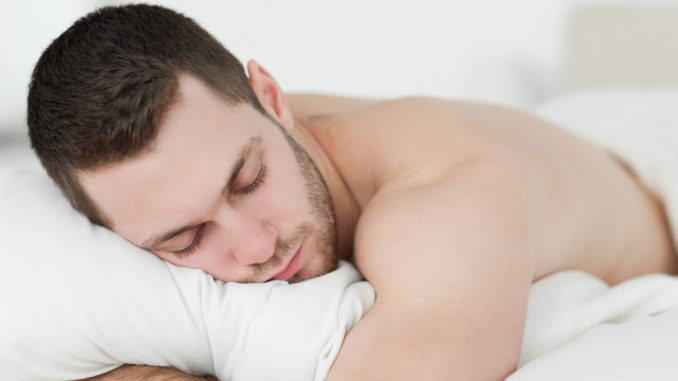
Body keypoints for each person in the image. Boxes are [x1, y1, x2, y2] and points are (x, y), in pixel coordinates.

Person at [27, 4, 677, 381]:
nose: (256, 246)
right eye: (184, 237)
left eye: (248, 179)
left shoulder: (442, 203)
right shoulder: (226, 133)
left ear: (273, 98)